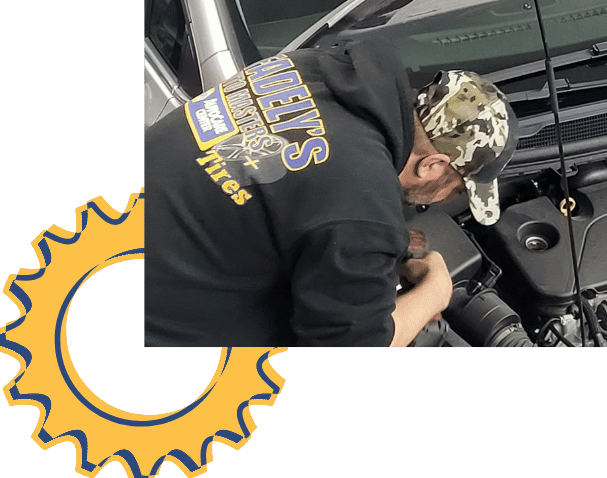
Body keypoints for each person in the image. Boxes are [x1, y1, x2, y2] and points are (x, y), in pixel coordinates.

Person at [144, 40, 516, 347]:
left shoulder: (319, 69)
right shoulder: (358, 202)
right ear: (431, 166)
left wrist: (390, 252)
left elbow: (303, 195)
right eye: (456, 188)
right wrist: (435, 291)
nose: (445, 197)